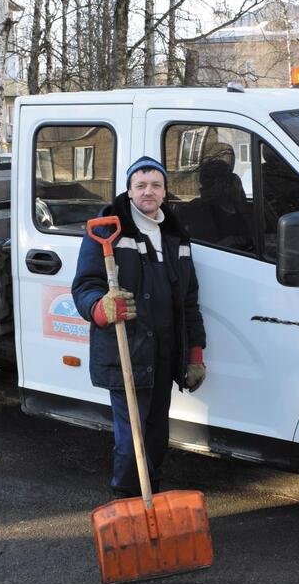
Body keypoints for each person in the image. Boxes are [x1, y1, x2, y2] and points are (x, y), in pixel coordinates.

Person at [72, 156, 208, 498]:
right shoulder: (107, 230)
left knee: (157, 434)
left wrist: (194, 353)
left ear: (165, 191)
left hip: (164, 352)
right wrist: (101, 308)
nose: (149, 191)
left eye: (156, 185)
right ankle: (127, 502)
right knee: (131, 437)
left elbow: (188, 300)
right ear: (129, 191)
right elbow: (85, 286)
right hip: (127, 351)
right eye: (141, 185)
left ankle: (152, 503)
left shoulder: (175, 235)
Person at [177, 155, 254, 251]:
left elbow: (253, 237)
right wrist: (232, 241)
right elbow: (209, 249)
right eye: (228, 181)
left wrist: (242, 203)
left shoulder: (239, 207)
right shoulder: (200, 212)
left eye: (233, 180)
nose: (234, 185)